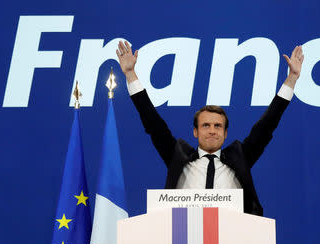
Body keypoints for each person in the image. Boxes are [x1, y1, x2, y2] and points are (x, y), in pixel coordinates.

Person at [116, 41, 304, 216]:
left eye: (218, 126)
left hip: (235, 241)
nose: (212, 130)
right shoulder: (178, 156)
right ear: (195, 132)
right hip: (184, 242)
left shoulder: (241, 157)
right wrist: (130, 74)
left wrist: (292, 78)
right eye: (206, 125)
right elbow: (152, 123)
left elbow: (267, 125)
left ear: (225, 133)